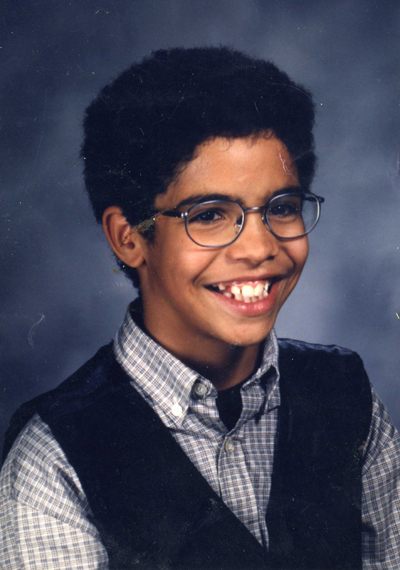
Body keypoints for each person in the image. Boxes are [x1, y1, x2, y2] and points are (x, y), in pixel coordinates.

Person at [0, 46, 399, 570]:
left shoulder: (347, 398)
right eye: (210, 215)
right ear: (128, 238)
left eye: (281, 208)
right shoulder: (54, 460)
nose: (259, 248)